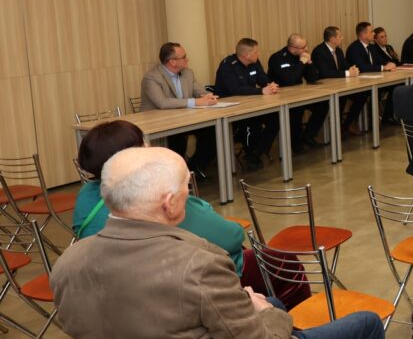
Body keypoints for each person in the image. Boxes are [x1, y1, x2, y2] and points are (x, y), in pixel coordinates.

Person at [52, 147, 413, 339]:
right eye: (187, 185)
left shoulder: (70, 264)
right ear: (169, 203)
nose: (190, 191)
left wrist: (263, 311)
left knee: (271, 305)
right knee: (365, 326)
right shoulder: (198, 264)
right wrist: (268, 316)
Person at [71, 120, 309, 309]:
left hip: (121, 295)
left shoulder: (86, 195)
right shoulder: (156, 195)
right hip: (180, 289)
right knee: (282, 263)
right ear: (129, 157)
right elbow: (231, 237)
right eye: (143, 145)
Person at [140, 42, 218, 177]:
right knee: (177, 139)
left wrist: (208, 97)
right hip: (159, 123)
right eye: (184, 57)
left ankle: (194, 168)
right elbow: (162, 103)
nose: (187, 59)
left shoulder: (188, 73)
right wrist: (196, 101)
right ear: (172, 62)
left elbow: (199, 92)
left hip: (184, 119)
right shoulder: (152, 78)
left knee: (213, 130)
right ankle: (176, 175)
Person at [214, 38, 280, 170]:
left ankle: (256, 153)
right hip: (230, 109)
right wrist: (261, 91)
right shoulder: (227, 65)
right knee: (252, 123)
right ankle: (250, 153)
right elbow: (235, 89)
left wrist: (269, 85)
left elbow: (262, 78)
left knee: (275, 118)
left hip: (251, 104)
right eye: (256, 52)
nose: (258, 54)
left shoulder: (255, 62)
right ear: (246, 55)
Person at [267, 33, 328, 154]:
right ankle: (296, 145)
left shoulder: (302, 56)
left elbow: (313, 78)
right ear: (293, 48)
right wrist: (301, 63)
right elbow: (290, 80)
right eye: (303, 47)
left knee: (323, 104)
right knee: (296, 112)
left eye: (306, 45)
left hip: (299, 95)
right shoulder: (278, 58)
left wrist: (309, 63)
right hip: (281, 97)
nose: (306, 49)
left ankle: (308, 136)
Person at [312, 26, 367, 137]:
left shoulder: (339, 51)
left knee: (362, 94)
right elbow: (325, 73)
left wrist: (353, 69)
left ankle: (347, 124)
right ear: (332, 39)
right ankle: (337, 128)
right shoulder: (319, 52)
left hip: (340, 86)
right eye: (340, 36)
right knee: (339, 99)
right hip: (325, 88)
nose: (342, 38)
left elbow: (345, 66)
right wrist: (347, 73)